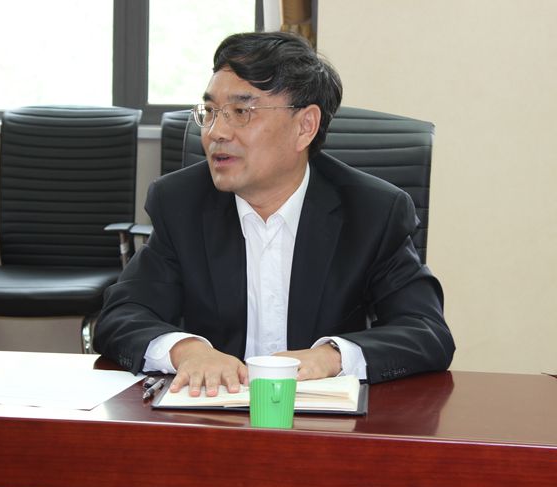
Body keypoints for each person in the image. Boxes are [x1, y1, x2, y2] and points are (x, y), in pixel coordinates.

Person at [94, 31, 455, 397]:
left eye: (241, 112)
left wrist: (331, 357)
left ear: (305, 126)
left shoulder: (372, 212)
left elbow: (426, 331)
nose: (216, 132)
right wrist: (188, 351)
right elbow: (119, 317)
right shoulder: (180, 203)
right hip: (215, 415)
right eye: (210, 112)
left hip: (324, 418)